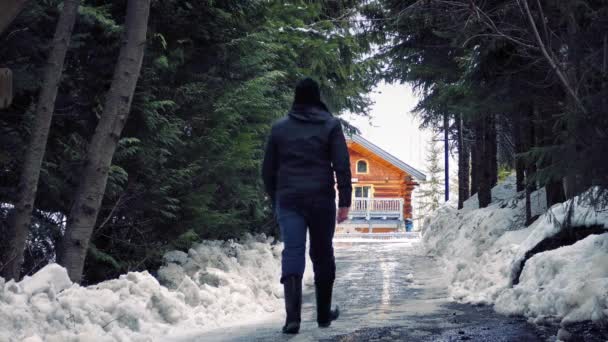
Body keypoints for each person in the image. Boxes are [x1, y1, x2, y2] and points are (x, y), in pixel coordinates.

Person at [262, 78, 352, 334]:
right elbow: (341, 164)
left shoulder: (279, 128)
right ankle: (323, 314)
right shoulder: (331, 125)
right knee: (323, 252)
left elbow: (267, 170)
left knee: (293, 251)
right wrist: (345, 199)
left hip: (289, 200)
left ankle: (293, 320)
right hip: (321, 200)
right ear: (317, 97)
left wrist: (276, 197)